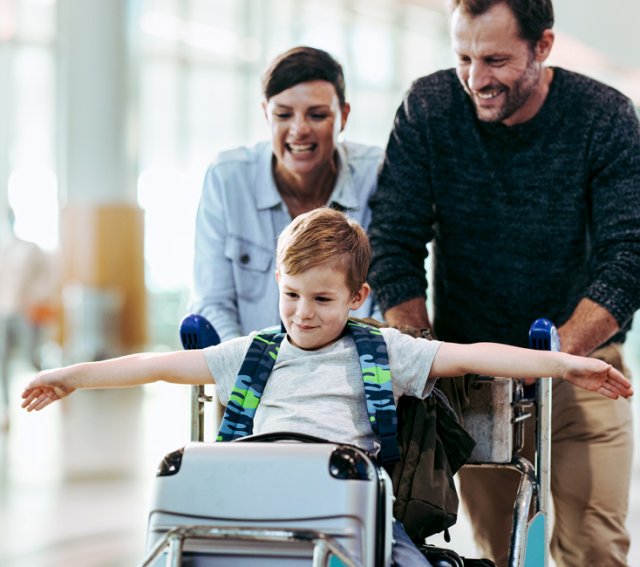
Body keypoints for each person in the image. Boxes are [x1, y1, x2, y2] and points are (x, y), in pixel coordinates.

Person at [22, 208, 633, 566]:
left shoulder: (383, 350)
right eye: (291, 295)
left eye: (322, 299)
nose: (302, 314)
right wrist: (69, 376)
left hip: (354, 509)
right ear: (278, 284)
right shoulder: (253, 353)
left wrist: (566, 365)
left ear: (357, 297)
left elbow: (471, 356)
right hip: (258, 509)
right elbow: (156, 366)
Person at [366, 1, 640, 565]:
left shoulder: (604, 116)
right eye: (463, 58)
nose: (475, 79)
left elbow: (629, 253)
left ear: (543, 46)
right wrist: (422, 353)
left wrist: (554, 358)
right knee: (501, 552)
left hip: (583, 369)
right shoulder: (430, 107)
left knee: (595, 547)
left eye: (495, 60)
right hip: (475, 378)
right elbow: (392, 240)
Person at [189, 46, 383, 341]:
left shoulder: (377, 175)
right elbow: (212, 302)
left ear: (343, 116)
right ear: (266, 114)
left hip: (349, 365)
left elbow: (388, 299)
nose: (299, 129)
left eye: (317, 115)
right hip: (247, 364)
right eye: (283, 114)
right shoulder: (227, 178)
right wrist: (252, 362)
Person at [0, 207, 53, 431]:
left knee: (31, 358)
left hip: (25, 313)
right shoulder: (3, 250)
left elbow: (47, 277)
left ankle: (59, 382)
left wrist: (37, 301)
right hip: (4, 312)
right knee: (2, 361)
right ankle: (5, 410)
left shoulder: (31, 249)